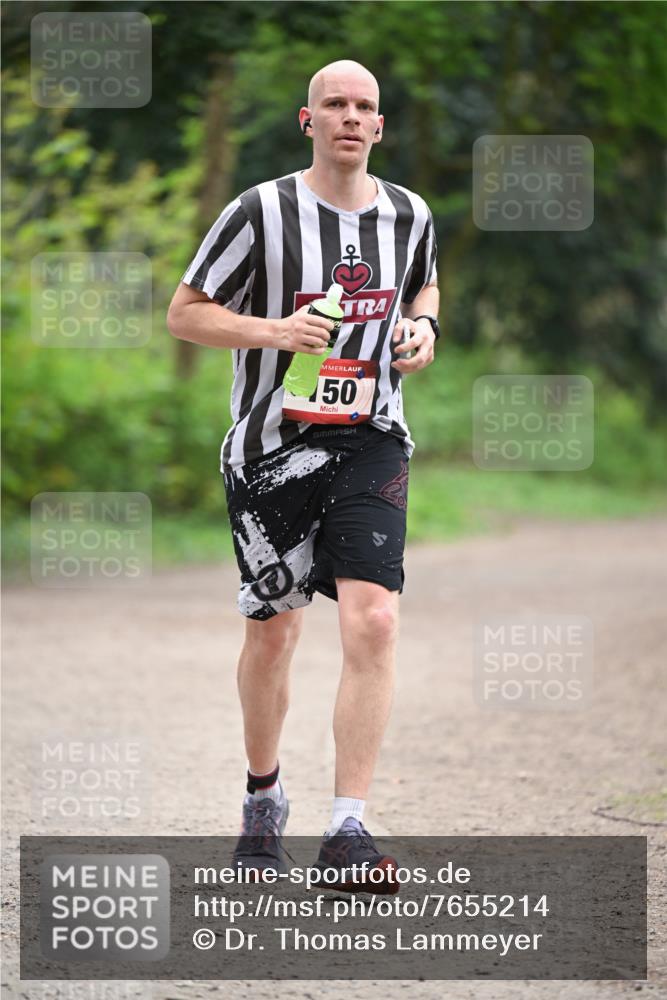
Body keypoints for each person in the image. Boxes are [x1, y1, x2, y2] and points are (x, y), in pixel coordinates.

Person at [167, 59, 440, 894]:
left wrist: (423, 330)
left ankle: (347, 828)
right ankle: (263, 798)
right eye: (335, 105)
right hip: (270, 447)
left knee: (375, 623)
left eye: (364, 107)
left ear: (379, 127)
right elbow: (186, 314)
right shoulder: (259, 210)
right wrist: (275, 331)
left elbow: (423, 286)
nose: (350, 117)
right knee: (275, 630)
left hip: (371, 438)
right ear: (307, 120)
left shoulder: (410, 213)